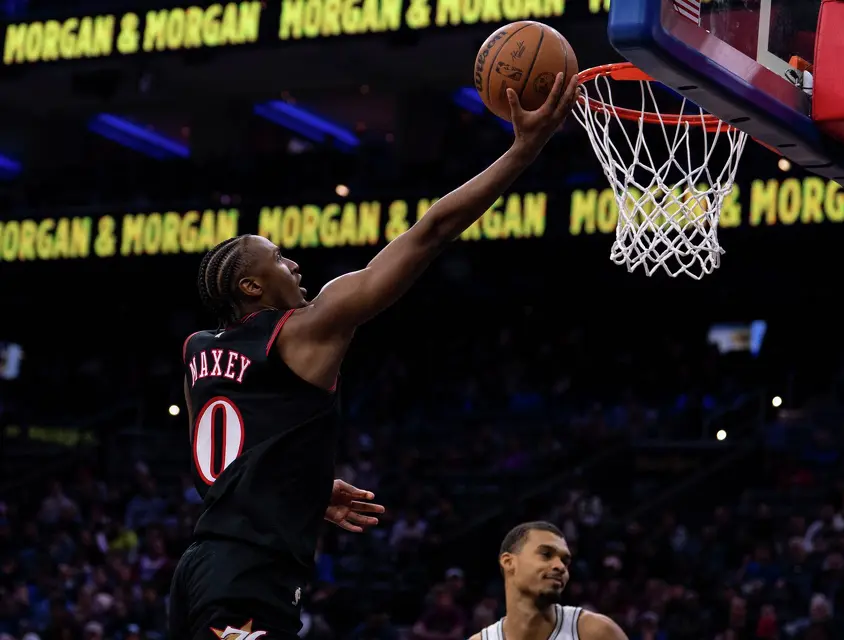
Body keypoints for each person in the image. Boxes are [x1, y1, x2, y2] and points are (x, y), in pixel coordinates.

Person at [169, 73, 580, 640]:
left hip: (198, 567)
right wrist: (522, 150)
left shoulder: (196, 351)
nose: (294, 266)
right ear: (251, 289)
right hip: (249, 573)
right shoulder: (304, 330)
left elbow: (214, 474)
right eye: (278, 259)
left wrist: (305, 487)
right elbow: (430, 232)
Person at [472, 521, 628, 640]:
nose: (560, 567)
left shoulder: (596, 632)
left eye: (565, 561)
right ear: (508, 562)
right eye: (546, 554)